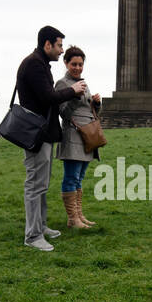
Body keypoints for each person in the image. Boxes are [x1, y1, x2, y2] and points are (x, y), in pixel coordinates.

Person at [16, 25, 86, 252]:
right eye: (58, 45)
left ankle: (41, 225)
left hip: (42, 132)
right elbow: (48, 97)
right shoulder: (35, 64)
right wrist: (73, 90)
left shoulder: (40, 63)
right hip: (36, 134)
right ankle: (33, 235)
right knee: (36, 185)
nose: (60, 50)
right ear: (47, 44)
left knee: (42, 184)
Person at [56, 45, 101, 229]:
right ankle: (73, 219)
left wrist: (96, 104)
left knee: (79, 178)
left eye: (80, 64)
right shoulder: (62, 84)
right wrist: (74, 96)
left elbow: (90, 112)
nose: (77, 68)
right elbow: (63, 113)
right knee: (71, 178)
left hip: (87, 136)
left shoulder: (84, 83)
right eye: (73, 64)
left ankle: (78, 216)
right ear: (66, 63)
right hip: (73, 135)